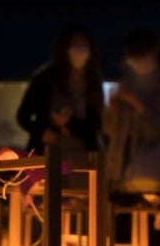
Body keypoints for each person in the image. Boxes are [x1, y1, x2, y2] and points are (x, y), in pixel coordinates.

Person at [105, 28, 160, 246]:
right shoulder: (126, 82)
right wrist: (114, 106)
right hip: (123, 175)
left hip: (155, 178)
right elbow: (110, 129)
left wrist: (137, 106)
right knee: (124, 245)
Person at [16, 26, 104, 157]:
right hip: (45, 153)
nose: (80, 49)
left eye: (85, 45)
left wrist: (69, 123)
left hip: (81, 154)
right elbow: (23, 115)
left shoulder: (93, 81)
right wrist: (41, 132)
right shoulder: (44, 78)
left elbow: (97, 122)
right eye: (75, 44)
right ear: (65, 48)